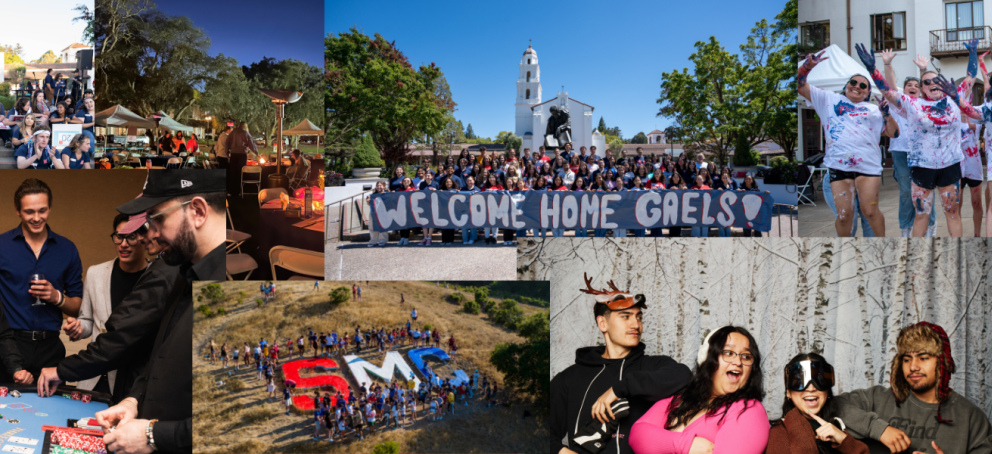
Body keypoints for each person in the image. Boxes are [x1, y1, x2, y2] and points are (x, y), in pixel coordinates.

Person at [94, 170, 227, 454]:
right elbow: (161, 360)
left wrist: (154, 435)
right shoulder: (183, 274)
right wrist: (134, 401)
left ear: (198, 211)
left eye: (157, 220)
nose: (149, 234)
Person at [552, 274, 692, 454]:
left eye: (639, 317)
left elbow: (684, 376)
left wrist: (618, 389)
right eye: (625, 317)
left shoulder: (654, 366)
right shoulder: (569, 378)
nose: (636, 324)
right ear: (603, 323)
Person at [832, 322, 992, 454]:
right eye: (907, 359)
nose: (913, 366)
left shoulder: (971, 418)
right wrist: (878, 428)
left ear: (942, 362)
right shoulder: (877, 398)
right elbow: (832, 406)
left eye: (923, 358)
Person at [628, 326, 769, 454]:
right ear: (707, 358)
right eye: (728, 352)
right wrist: (686, 444)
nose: (738, 362)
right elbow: (638, 434)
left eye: (746, 356)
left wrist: (662, 443)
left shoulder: (749, 409)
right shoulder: (679, 400)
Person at [800, 48, 895, 237]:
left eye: (863, 85)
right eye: (853, 82)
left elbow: (893, 133)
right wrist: (806, 67)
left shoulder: (873, 109)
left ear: (868, 92)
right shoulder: (827, 99)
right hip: (838, 167)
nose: (857, 86)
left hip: (867, 168)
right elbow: (799, 84)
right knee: (844, 216)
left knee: (870, 212)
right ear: (846, 86)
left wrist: (887, 115)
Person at [0, 178, 82, 384]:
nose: (37, 218)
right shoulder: (2, 246)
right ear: (17, 210)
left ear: (50, 208)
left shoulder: (67, 249)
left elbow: (77, 307)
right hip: (10, 347)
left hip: (51, 349)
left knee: (52, 412)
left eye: (42, 210)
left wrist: (57, 297)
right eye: (29, 211)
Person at [880, 52, 939, 237]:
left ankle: (930, 227)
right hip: (901, 153)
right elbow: (889, 86)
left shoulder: (923, 103)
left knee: (926, 191)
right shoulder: (898, 104)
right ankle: (905, 229)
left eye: (916, 85)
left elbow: (928, 84)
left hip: (923, 154)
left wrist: (923, 69)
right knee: (906, 193)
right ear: (903, 90)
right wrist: (888, 64)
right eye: (908, 85)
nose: (912, 87)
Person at [765, 353, 869, 454]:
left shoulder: (839, 426)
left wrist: (843, 440)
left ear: (827, 390)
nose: (811, 388)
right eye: (800, 382)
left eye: (819, 380)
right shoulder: (779, 432)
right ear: (788, 393)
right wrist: (800, 433)